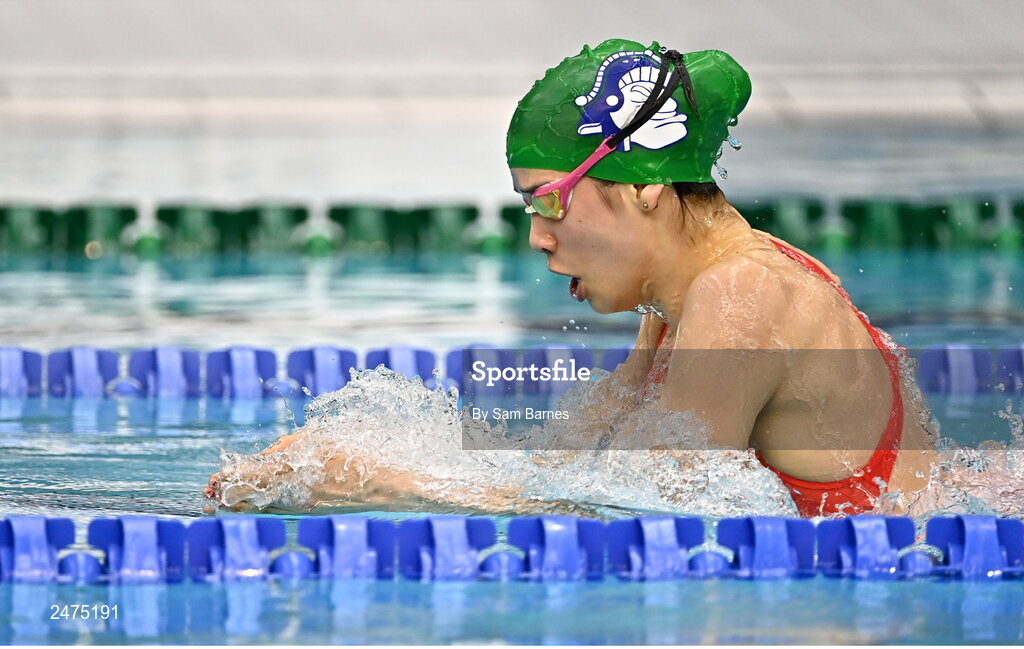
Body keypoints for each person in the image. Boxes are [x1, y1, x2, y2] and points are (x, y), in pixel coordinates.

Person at [207, 39, 937, 517]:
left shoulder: (738, 295)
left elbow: (655, 515)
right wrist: (343, 455)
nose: (537, 235)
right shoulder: (686, 294)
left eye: (550, 200)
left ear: (645, 185)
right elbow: (572, 463)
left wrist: (387, 484)